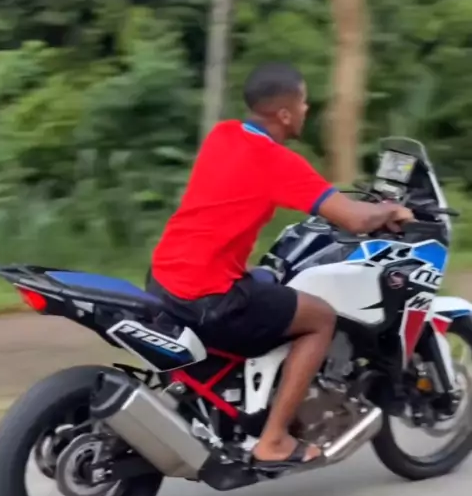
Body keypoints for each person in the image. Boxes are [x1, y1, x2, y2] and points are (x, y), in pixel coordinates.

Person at [148, 62, 413, 469]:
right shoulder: (276, 161)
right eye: (303, 102)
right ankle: (272, 441)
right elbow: (355, 219)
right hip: (208, 295)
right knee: (320, 318)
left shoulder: (224, 134)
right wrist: (391, 210)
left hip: (164, 277)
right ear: (285, 113)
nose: (307, 109)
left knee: (266, 279)